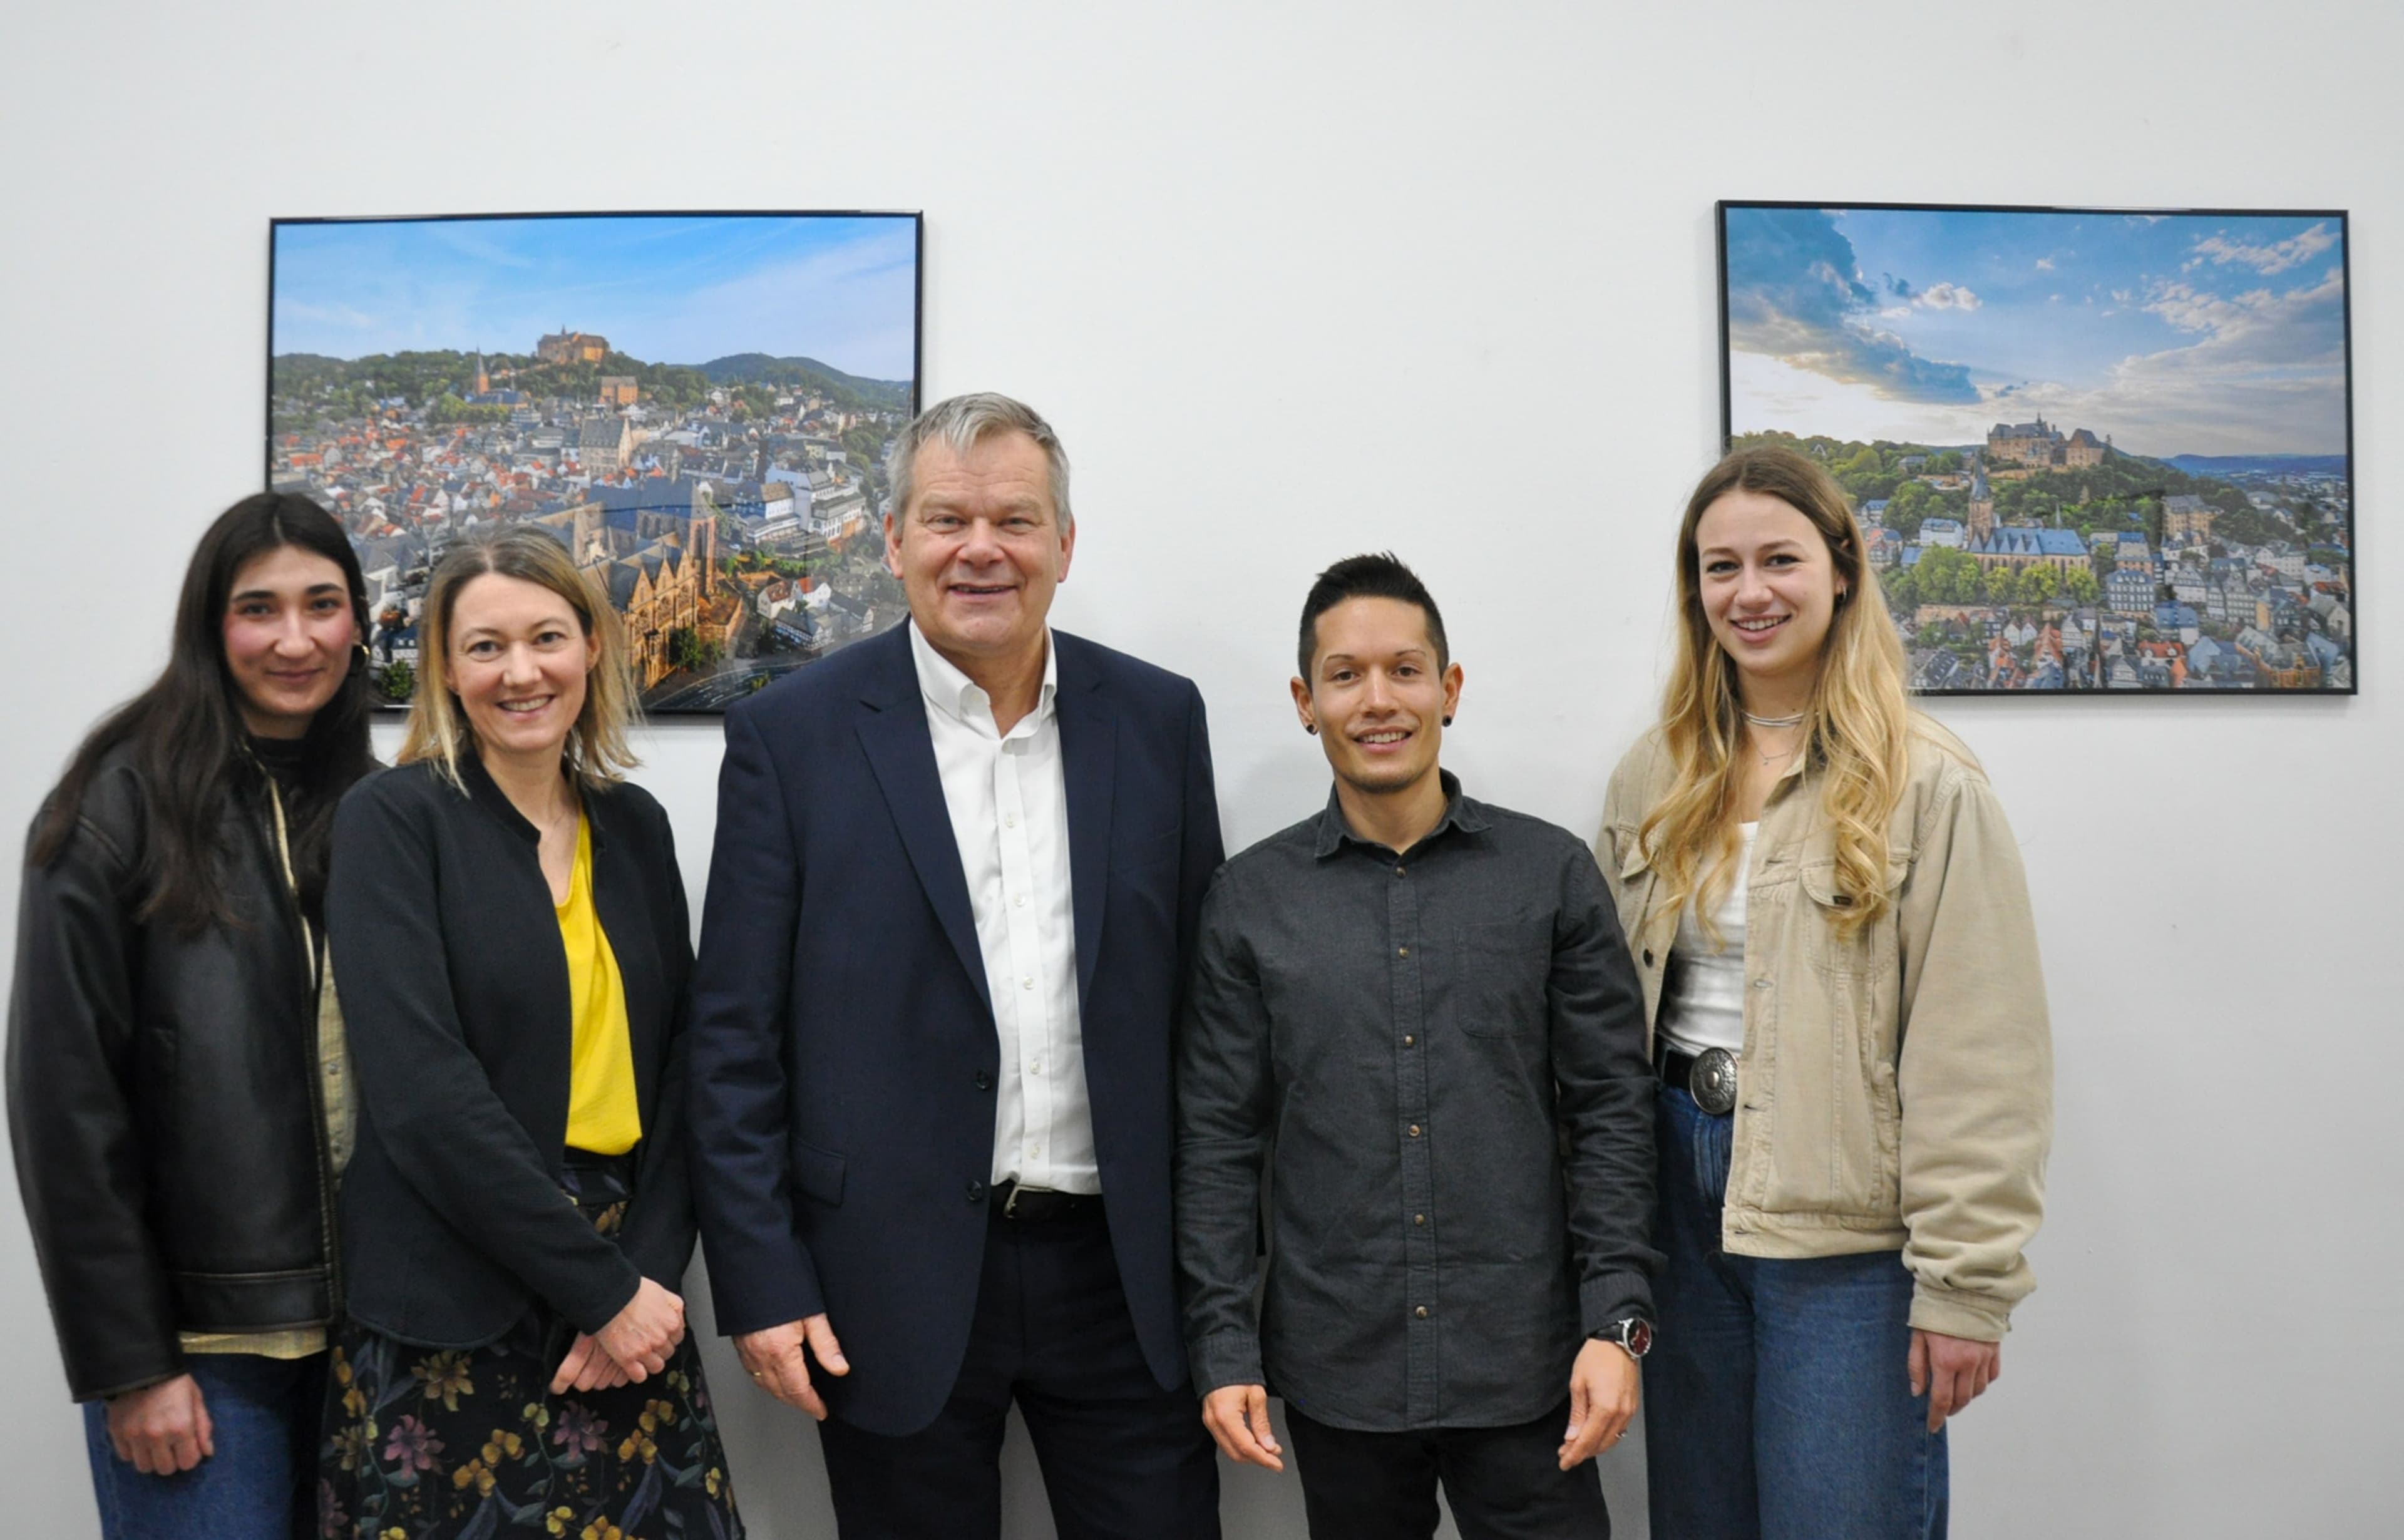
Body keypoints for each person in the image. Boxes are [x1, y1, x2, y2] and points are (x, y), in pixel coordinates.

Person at [688, 393, 1224, 1538]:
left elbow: (1207, 1021)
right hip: (883, 1277)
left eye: (1017, 521)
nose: (982, 548)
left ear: (1065, 546)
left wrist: (1225, 1281)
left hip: (1124, 1280)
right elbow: (733, 1041)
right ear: (894, 542)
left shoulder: (1158, 721)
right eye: (946, 520)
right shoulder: (791, 738)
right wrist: (764, 1282)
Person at [1598, 444, 2052, 1539]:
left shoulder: (1928, 783)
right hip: (1676, 1200)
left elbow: (1980, 1050)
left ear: (1842, 572)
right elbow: (1605, 1013)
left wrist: (1966, 1285)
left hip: (1847, 1232)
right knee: (1703, 1520)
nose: (1748, 594)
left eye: (1779, 561)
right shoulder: (1652, 775)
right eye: (1720, 568)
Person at [1177, 553, 1657, 1540]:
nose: (1378, 700)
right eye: (1346, 675)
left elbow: (1611, 1108)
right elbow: (1218, 1141)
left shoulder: (1550, 876)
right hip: (1337, 1370)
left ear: (1450, 688)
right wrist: (1223, 1343)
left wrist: (1618, 1324)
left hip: (1527, 1366)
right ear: (1307, 703)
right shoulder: (1250, 901)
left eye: (1404, 669)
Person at [316, 525, 739, 1539]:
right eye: (485, 647)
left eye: (547, 637)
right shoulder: (391, 821)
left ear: (594, 648)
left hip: (627, 1301)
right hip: (455, 1306)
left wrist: (643, 1275)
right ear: (446, 672)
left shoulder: (633, 824)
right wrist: (600, 1289)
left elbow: (684, 1070)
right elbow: (424, 1098)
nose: (521, 672)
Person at [8, 493, 376, 1538]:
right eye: (259, 609)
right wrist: (131, 1364)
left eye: (323, 605)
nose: (295, 640)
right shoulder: (115, 806)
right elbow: (62, 1104)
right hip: (203, 1356)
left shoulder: (380, 804)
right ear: (210, 626)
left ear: (360, 621)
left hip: (370, 1346)